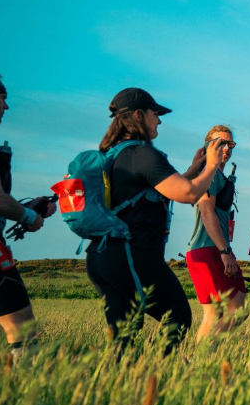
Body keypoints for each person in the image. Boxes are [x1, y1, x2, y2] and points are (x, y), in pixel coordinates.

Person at [87, 87, 223, 354]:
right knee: (178, 317)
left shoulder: (113, 155)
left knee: (125, 335)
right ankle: (155, 376)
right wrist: (211, 167)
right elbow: (188, 193)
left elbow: (153, 191)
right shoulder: (143, 153)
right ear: (138, 115)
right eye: (155, 113)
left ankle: (119, 385)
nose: (159, 120)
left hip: (102, 257)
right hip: (133, 255)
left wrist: (192, 171)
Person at [0, 67, 56, 361]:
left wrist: (27, 205)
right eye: (2, 97)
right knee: (23, 328)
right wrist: (29, 217)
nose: (7, 105)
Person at [186, 125, 247, 344]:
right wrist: (224, 251)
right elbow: (206, 212)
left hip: (215, 248)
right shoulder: (209, 175)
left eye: (230, 144)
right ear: (207, 145)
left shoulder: (219, 175)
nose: (226, 148)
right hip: (208, 248)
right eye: (220, 142)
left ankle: (204, 358)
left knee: (232, 308)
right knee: (224, 312)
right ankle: (201, 357)